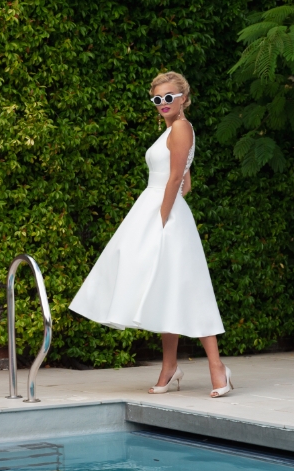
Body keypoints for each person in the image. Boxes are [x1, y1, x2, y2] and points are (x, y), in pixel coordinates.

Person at [69, 71, 232, 397]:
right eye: (157, 99)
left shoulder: (182, 127)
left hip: (164, 215)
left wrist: (162, 215)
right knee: (163, 289)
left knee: (190, 288)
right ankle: (170, 368)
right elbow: (187, 181)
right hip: (157, 210)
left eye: (169, 97)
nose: (163, 103)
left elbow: (175, 181)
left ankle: (218, 368)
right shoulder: (172, 131)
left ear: (184, 98)